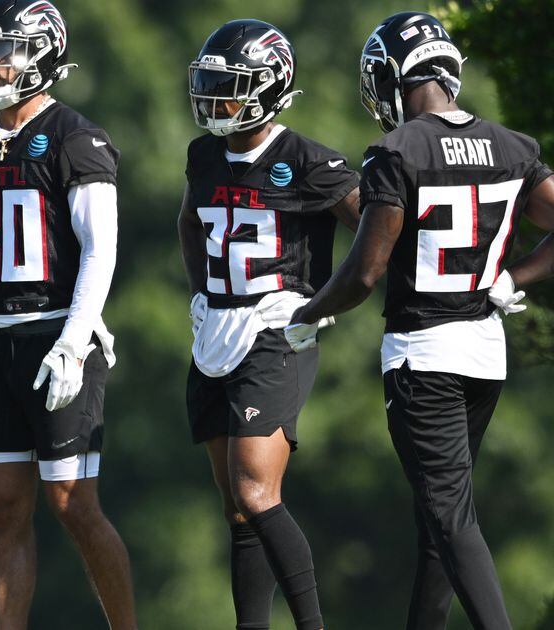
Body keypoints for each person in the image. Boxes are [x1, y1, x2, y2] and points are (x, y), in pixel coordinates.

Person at [289, 11, 554, 630]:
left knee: (450, 518)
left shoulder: (397, 149)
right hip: (485, 357)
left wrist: (306, 313)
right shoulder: (513, 146)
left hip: (424, 357)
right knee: (438, 520)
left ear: (395, 77)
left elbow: (364, 272)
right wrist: (515, 276)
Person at [0, 1, 136, 627]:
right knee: (3, 507)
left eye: (7, 52)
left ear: (44, 54)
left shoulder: (77, 137)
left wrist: (75, 340)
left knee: (72, 502)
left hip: (58, 332)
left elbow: (100, 250)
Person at [178, 19, 361, 630]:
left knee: (258, 491)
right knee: (236, 507)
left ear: (268, 86)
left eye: (228, 87)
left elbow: (377, 230)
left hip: (277, 330)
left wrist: (323, 302)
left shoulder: (308, 159)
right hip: (216, 329)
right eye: (208, 85)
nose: (213, 100)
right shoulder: (203, 154)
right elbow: (189, 221)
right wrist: (200, 289)